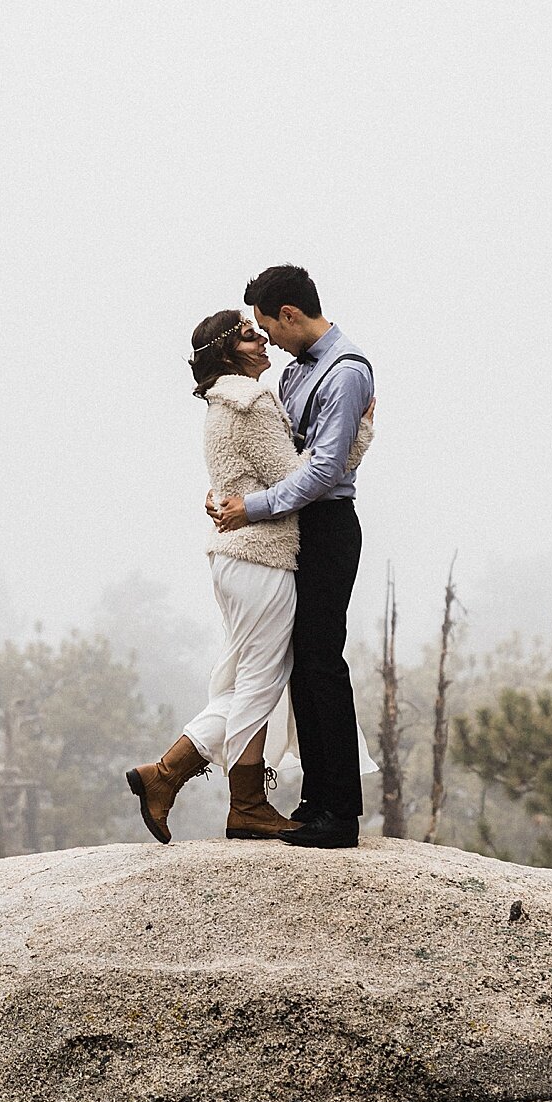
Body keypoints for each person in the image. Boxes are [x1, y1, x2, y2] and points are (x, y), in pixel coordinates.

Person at [125, 308, 372, 845]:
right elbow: (303, 478)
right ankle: (247, 805)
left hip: (238, 557)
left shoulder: (225, 403)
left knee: (247, 679)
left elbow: (242, 475)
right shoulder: (253, 401)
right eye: (248, 334)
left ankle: (165, 774)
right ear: (229, 352)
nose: (262, 341)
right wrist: (361, 431)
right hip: (261, 556)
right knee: (261, 679)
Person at [211, 264, 374, 849]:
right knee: (301, 662)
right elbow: (284, 451)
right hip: (297, 524)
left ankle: (341, 811)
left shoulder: (346, 372)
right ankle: (315, 800)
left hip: (328, 526)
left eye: (266, 327)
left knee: (322, 660)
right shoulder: (297, 375)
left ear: (290, 315)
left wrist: (250, 507)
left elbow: (323, 470)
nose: (270, 341)